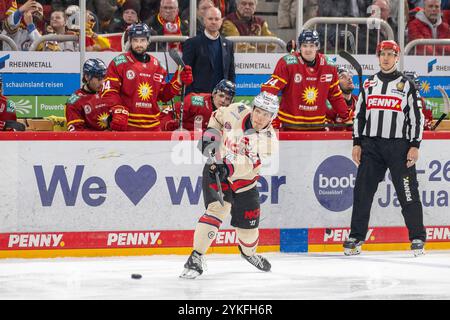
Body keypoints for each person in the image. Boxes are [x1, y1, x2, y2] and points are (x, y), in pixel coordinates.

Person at [180, 91, 279, 279]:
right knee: (218, 210)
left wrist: (227, 167)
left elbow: (248, 164)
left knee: (248, 234)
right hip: (216, 169)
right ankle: (195, 257)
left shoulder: (269, 142)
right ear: (253, 109)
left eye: (266, 114)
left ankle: (249, 254)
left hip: (245, 182)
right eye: (258, 111)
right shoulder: (236, 110)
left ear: (272, 117)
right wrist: (211, 135)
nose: (260, 118)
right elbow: (217, 116)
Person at [344, 40, 426, 257]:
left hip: (399, 147)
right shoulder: (369, 84)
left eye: (391, 54)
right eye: (383, 54)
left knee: (408, 192)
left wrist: (414, 146)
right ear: (378, 57)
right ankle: (356, 237)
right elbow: (359, 115)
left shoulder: (406, 85)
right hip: (372, 146)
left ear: (397, 57)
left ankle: (417, 237)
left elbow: (417, 119)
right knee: (362, 192)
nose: (386, 58)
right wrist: (357, 142)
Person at [101, 23, 193, 131]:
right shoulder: (119, 62)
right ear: (130, 41)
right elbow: (109, 91)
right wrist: (117, 109)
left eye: (142, 40)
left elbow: (163, 96)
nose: (139, 44)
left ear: (148, 41)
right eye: (135, 40)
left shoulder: (158, 66)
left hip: (153, 126)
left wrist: (177, 81)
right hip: (127, 125)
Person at [261, 30, 352, 131]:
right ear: (300, 47)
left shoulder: (329, 65)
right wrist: (267, 116)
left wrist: (346, 117)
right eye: (305, 45)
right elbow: (269, 90)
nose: (308, 50)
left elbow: (335, 95)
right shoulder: (287, 63)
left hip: (318, 127)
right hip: (289, 126)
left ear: (317, 46)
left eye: (312, 45)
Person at [182, 7, 235, 95]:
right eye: (210, 19)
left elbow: (231, 72)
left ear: (221, 21)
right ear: (204, 20)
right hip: (198, 96)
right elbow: (186, 72)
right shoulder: (192, 43)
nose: (213, 22)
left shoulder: (228, 44)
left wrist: (230, 93)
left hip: (221, 97)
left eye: (217, 19)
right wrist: (191, 96)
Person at [161, 79, 236, 131]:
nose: (223, 101)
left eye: (227, 99)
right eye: (221, 96)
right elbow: (168, 114)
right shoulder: (196, 101)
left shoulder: (229, 114)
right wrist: (166, 125)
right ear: (214, 94)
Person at [65, 59, 110, 132]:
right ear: (87, 77)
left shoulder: (108, 93)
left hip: (113, 140)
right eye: (98, 79)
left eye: (103, 78)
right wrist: (102, 136)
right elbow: (77, 133)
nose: (102, 83)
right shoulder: (74, 101)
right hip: (89, 142)